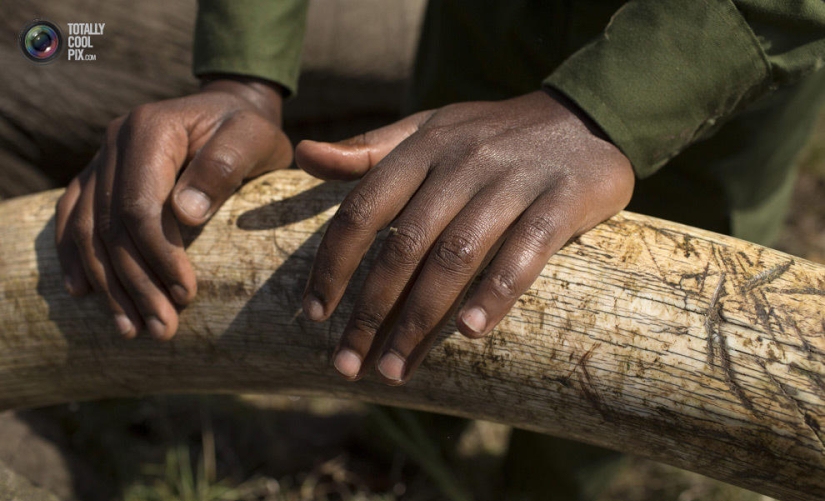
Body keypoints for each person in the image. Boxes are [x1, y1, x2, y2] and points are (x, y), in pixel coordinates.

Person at [55, 0, 825, 387]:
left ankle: (557, 492)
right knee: (423, 228)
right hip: (487, 23)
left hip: (720, 53)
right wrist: (242, 76)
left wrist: (607, 110)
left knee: (674, 288)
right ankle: (404, 436)